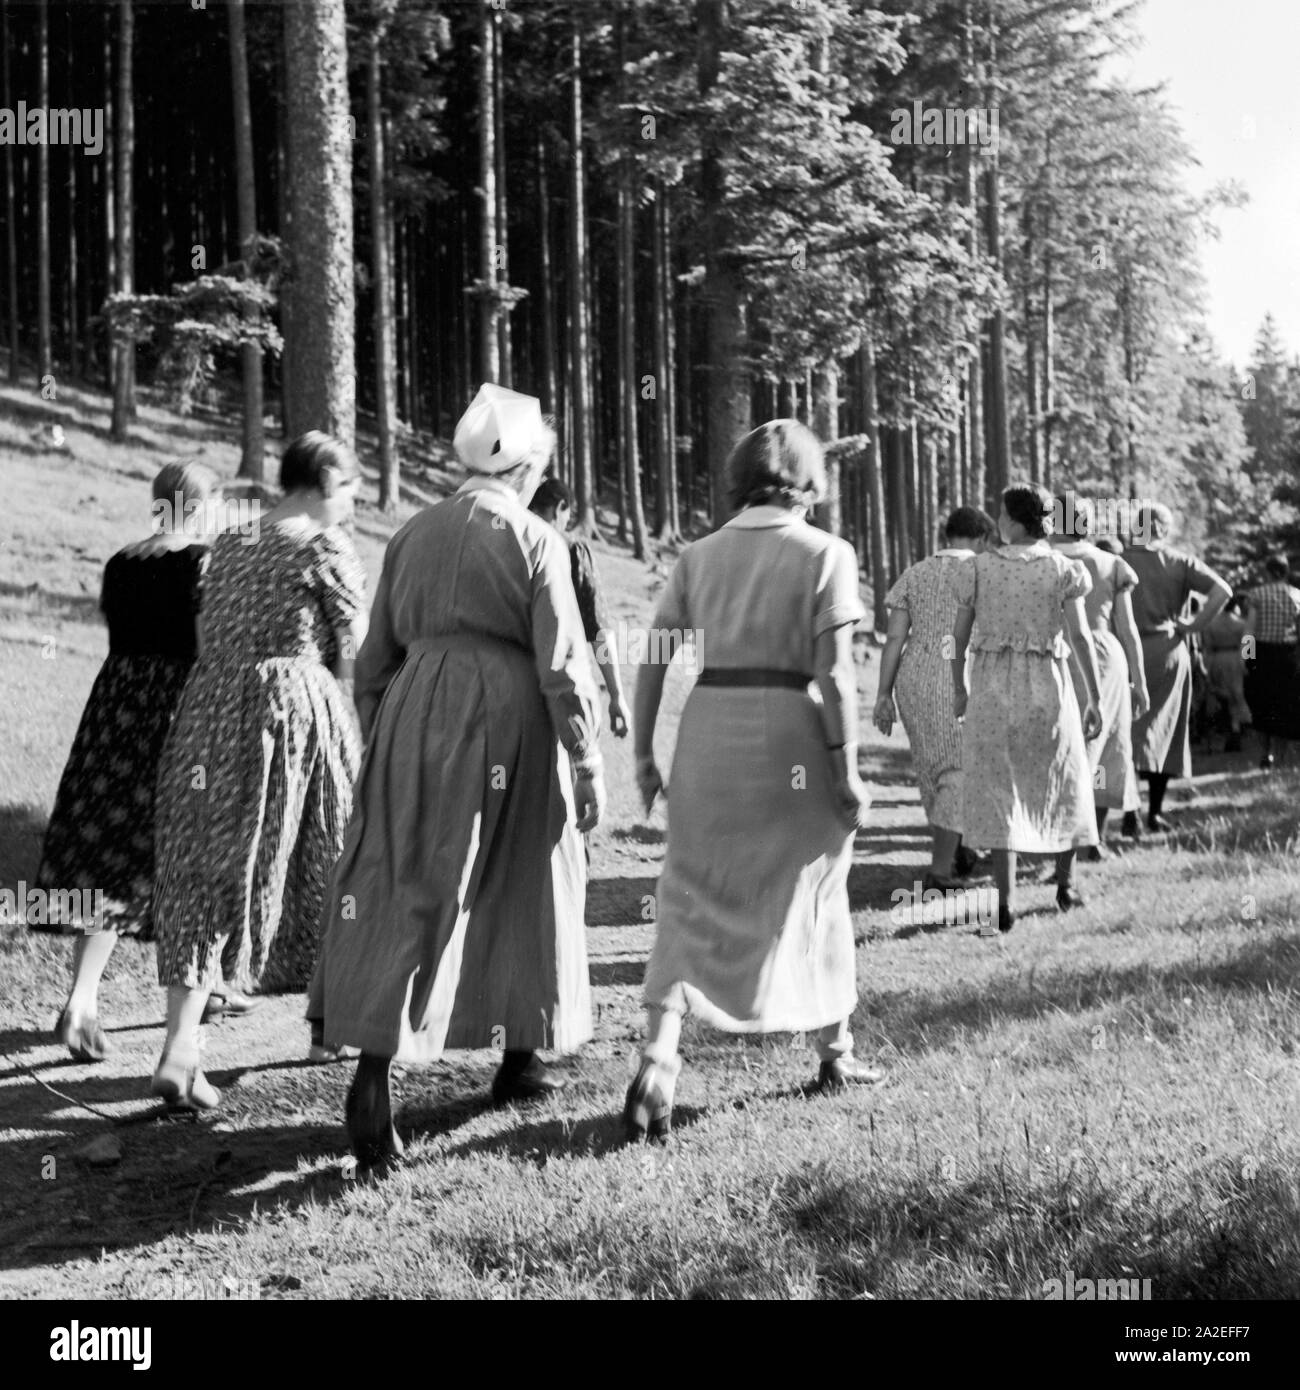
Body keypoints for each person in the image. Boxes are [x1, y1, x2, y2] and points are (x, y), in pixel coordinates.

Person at [309, 384, 605, 1172]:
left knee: (410, 883)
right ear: (529, 464)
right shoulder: (535, 538)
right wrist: (586, 759)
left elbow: (372, 663)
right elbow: (565, 667)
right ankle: (520, 1057)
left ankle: (374, 1071)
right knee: (527, 883)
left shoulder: (409, 535)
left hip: (415, 708)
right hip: (514, 721)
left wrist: (389, 739)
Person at [628, 419, 878, 1144]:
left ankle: (658, 1056)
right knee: (817, 891)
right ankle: (837, 1053)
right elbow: (833, 673)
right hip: (792, 729)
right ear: (809, 481)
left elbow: (653, 658)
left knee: (688, 889)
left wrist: (645, 755)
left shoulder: (698, 556)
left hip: (709, 732)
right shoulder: (826, 552)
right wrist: (847, 766)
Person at [150, 433, 367, 1112]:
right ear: (328, 480)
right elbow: (356, 651)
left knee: (204, 865)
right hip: (292, 711)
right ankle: (330, 1023)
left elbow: (206, 629)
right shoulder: (322, 545)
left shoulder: (232, 539)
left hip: (209, 709)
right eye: (353, 490)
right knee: (326, 855)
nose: (354, 506)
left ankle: (181, 1045)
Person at [33, 462, 213, 1062]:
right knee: (186, 852)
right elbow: (203, 647)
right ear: (201, 505)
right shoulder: (202, 563)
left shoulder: (121, 562)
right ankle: (198, 990)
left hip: (114, 713)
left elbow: (121, 632)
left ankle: (82, 998)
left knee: (111, 856)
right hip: (173, 715)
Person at [949, 483, 1104, 932]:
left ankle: (1005, 902)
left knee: (999, 787)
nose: (996, 520)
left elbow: (956, 639)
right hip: (1048, 688)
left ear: (1014, 521)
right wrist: (1093, 695)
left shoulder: (979, 569)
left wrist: (957, 683)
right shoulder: (1063, 569)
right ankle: (1066, 885)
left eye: (1000, 513)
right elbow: (1080, 637)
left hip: (992, 688)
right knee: (1061, 777)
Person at [873, 506, 998, 889]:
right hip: (958, 672)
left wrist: (883, 694)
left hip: (913, 675)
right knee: (961, 769)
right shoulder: (981, 571)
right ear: (980, 538)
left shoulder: (916, 572)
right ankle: (939, 872)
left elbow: (895, 637)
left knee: (932, 769)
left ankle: (958, 848)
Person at [1048, 495, 1150, 872]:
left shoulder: (1040, 559)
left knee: (1059, 747)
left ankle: (1057, 837)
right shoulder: (1111, 563)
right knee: (1106, 745)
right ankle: (1093, 837)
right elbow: (1127, 628)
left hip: (1053, 652)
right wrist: (1139, 680)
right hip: (1104, 657)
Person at [1124, 504, 1231, 830]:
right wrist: (1193, 625)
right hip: (1168, 650)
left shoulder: (1120, 560)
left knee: (1125, 733)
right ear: (1163, 529)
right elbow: (1222, 590)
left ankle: (1130, 812)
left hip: (1126, 653)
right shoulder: (1180, 562)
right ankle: (1155, 812)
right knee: (1164, 731)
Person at [528, 475, 629, 738]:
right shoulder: (572, 550)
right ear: (560, 507)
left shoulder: (511, 541)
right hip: (561, 694)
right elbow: (599, 630)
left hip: (507, 691)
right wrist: (616, 695)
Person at [1243, 556, 1300, 769]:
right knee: (1285, 704)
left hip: (1262, 655)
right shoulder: (1297, 595)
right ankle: (1281, 756)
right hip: (1288, 655)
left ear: (1268, 572)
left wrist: (1247, 657)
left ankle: (1266, 754)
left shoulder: (1256, 594)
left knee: (1262, 703)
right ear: (1285, 572)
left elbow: (1249, 629)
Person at [1202, 596, 1251, 753]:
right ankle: (1236, 729)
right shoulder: (1242, 624)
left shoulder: (1211, 623)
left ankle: (1230, 728)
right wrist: (1248, 662)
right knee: (1237, 694)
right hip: (1236, 659)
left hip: (1217, 660)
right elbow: (1248, 646)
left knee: (1223, 696)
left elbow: (1207, 646)